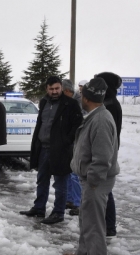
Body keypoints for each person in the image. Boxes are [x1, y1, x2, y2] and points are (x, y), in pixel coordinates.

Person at [19, 76, 83, 224]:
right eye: (51, 89)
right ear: (46, 89)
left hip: (60, 150)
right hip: (43, 148)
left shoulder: (71, 104)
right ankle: (39, 208)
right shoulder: (44, 102)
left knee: (61, 182)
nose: (54, 91)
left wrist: (66, 141)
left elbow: (77, 125)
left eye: (57, 88)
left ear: (61, 87)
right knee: (42, 179)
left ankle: (58, 212)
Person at [72, 77, 120, 254]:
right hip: (90, 181)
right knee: (86, 222)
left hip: (96, 182)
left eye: (81, 94)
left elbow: (102, 158)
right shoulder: (95, 116)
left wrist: (92, 181)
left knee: (94, 228)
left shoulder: (100, 120)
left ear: (86, 98)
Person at [95, 72, 123, 238]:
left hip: (108, 151)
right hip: (109, 149)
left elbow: (106, 132)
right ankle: (107, 225)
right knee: (104, 190)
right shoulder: (108, 102)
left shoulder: (110, 105)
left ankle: (110, 226)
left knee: (105, 190)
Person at [62, 79, 83, 216]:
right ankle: (70, 199)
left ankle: (78, 203)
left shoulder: (79, 102)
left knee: (75, 174)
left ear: (68, 91)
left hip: (78, 141)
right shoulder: (68, 101)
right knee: (69, 172)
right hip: (70, 142)